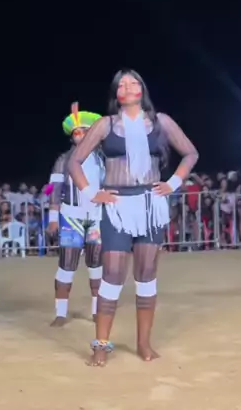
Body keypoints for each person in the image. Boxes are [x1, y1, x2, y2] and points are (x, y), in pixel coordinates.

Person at [68, 70, 198, 365]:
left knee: (146, 275)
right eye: (122, 84)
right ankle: (101, 346)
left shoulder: (161, 122)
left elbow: (190, 153)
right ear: (116, 93)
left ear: (142, 89)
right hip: (117, 206)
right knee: (112, 275)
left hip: (150, 206)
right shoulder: (105, 125)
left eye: (133, 82)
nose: (127, 86)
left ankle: (143, 344)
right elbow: (75, 161)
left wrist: (173, 183)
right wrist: (91, 192)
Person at [47, 103, 104, 326]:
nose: (80, 135)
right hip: (71, 217)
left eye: (84, 131)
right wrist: (53, 218)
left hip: (97, 217)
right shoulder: (63, 160)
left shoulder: (102, 159)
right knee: (67, 264)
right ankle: (61, 313)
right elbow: (54, 189)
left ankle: (97, 311)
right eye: (76, 132)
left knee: (96, 265)